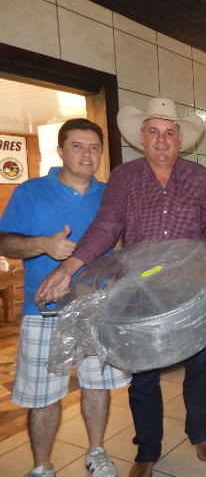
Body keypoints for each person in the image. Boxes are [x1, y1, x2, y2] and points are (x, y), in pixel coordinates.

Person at [36, 97, 206, 477]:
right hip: (140, 292)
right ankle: (147, 448)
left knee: (198, 365)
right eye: (153, 132)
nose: (162, 140)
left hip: (190, 290)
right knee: (142, 370)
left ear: (180, 140)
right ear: (141, 139)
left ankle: (198, 431)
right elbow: (106, 226)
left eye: (169, 132)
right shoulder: (125, 177)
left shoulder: (198, 176)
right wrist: (68, 268)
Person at [0, 118, 131, 477]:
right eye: (77, 145)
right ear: (60, 150)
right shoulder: (30, 192)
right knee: (43, 396)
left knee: (98, 385)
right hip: (43, 310)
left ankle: (97, 451)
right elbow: (4, 242)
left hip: (97, 309)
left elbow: (123, 245)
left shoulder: (111, 194)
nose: (87, 154)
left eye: (94, 147)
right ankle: (42, 466)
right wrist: (43, 245)